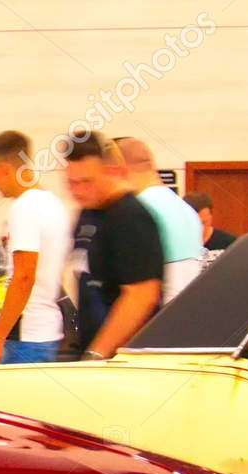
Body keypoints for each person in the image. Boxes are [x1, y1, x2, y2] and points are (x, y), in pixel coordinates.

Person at [0, 130, 73, 365]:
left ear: (5, 170)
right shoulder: (53, 204)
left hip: (26, 336)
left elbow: (24, 276)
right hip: (45, 331)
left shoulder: (25, 208)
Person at [65, 134, 163, 359]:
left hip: (122, 361)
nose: (78, 191)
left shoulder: (131, 217)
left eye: (87, 182)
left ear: (113, 172)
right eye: (72, 183)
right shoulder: (88, 213)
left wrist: (97, 353)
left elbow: (142, 295)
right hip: (93, 353)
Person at [116, 138, 204, 303]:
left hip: (160, 318)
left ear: (119, 170)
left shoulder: (140, 209)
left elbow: (136, 289)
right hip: (190, 311)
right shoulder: (186, 209)